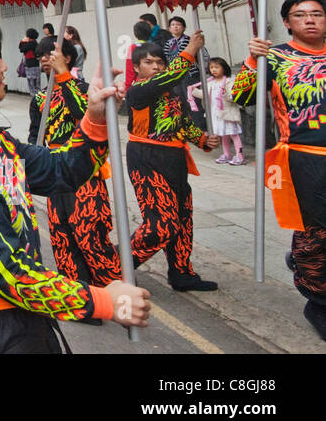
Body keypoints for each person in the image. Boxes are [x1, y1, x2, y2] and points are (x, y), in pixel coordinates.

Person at [0, 5, 150, 353]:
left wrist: (95, 114)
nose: (5, 66)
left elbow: (61, 170)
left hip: (24, 322)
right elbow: (8, 273)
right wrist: (104, 302)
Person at [231, 0, 326, 340]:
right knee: (316, 232)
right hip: (304, 158)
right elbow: (242, 96)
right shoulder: (275, 56)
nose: (311, 20)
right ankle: (317, 299)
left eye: (317, 13)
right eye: (301, 15)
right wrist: (251, 61)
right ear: (287, 22)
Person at [125, 34, 220, 292]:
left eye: (160, 62)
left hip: (175, 158)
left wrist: (202, 139)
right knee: (161, 225)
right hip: (147, 158)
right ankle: (115, 265)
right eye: (148, 62)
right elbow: (168, 78)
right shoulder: (138, 90)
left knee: (182, 219)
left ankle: (181, 272)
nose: (155, 66)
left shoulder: (172, 91)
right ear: (136, 67)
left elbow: (182, 122)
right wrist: (189, 50)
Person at [29, 39, 121, 294]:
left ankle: (113, 292)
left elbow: (85, 114)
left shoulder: (83, 88)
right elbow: (35, 134)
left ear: (66, 58)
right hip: (52, 169)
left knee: (90, 234)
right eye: (41, 57)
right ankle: (77, 294)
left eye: (50, 54)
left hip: (82, 169)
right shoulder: (39, 98)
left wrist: (64, 77)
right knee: (61, 235)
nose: (44, 60)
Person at [190, 57, 243, 165]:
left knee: (233, 134)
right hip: (215, 113)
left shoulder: (229, 81)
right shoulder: (210, 82)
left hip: (227, 112)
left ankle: (239, 155)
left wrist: (225, 94)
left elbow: (233, 96)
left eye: (217, 67)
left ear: (224, 68)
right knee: (222, 134)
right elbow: (204, 94)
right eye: (211, 67)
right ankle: (226, 154)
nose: (214, 70)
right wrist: (193, 91)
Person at [19, 28, 40, 96]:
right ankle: (38, 99)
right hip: (35, 65)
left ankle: (36, 100)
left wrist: (22, 41)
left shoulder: (31, 43)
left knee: (32, 86)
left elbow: (21, 49)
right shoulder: (35, 43)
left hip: (31, 66)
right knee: (36, 85)